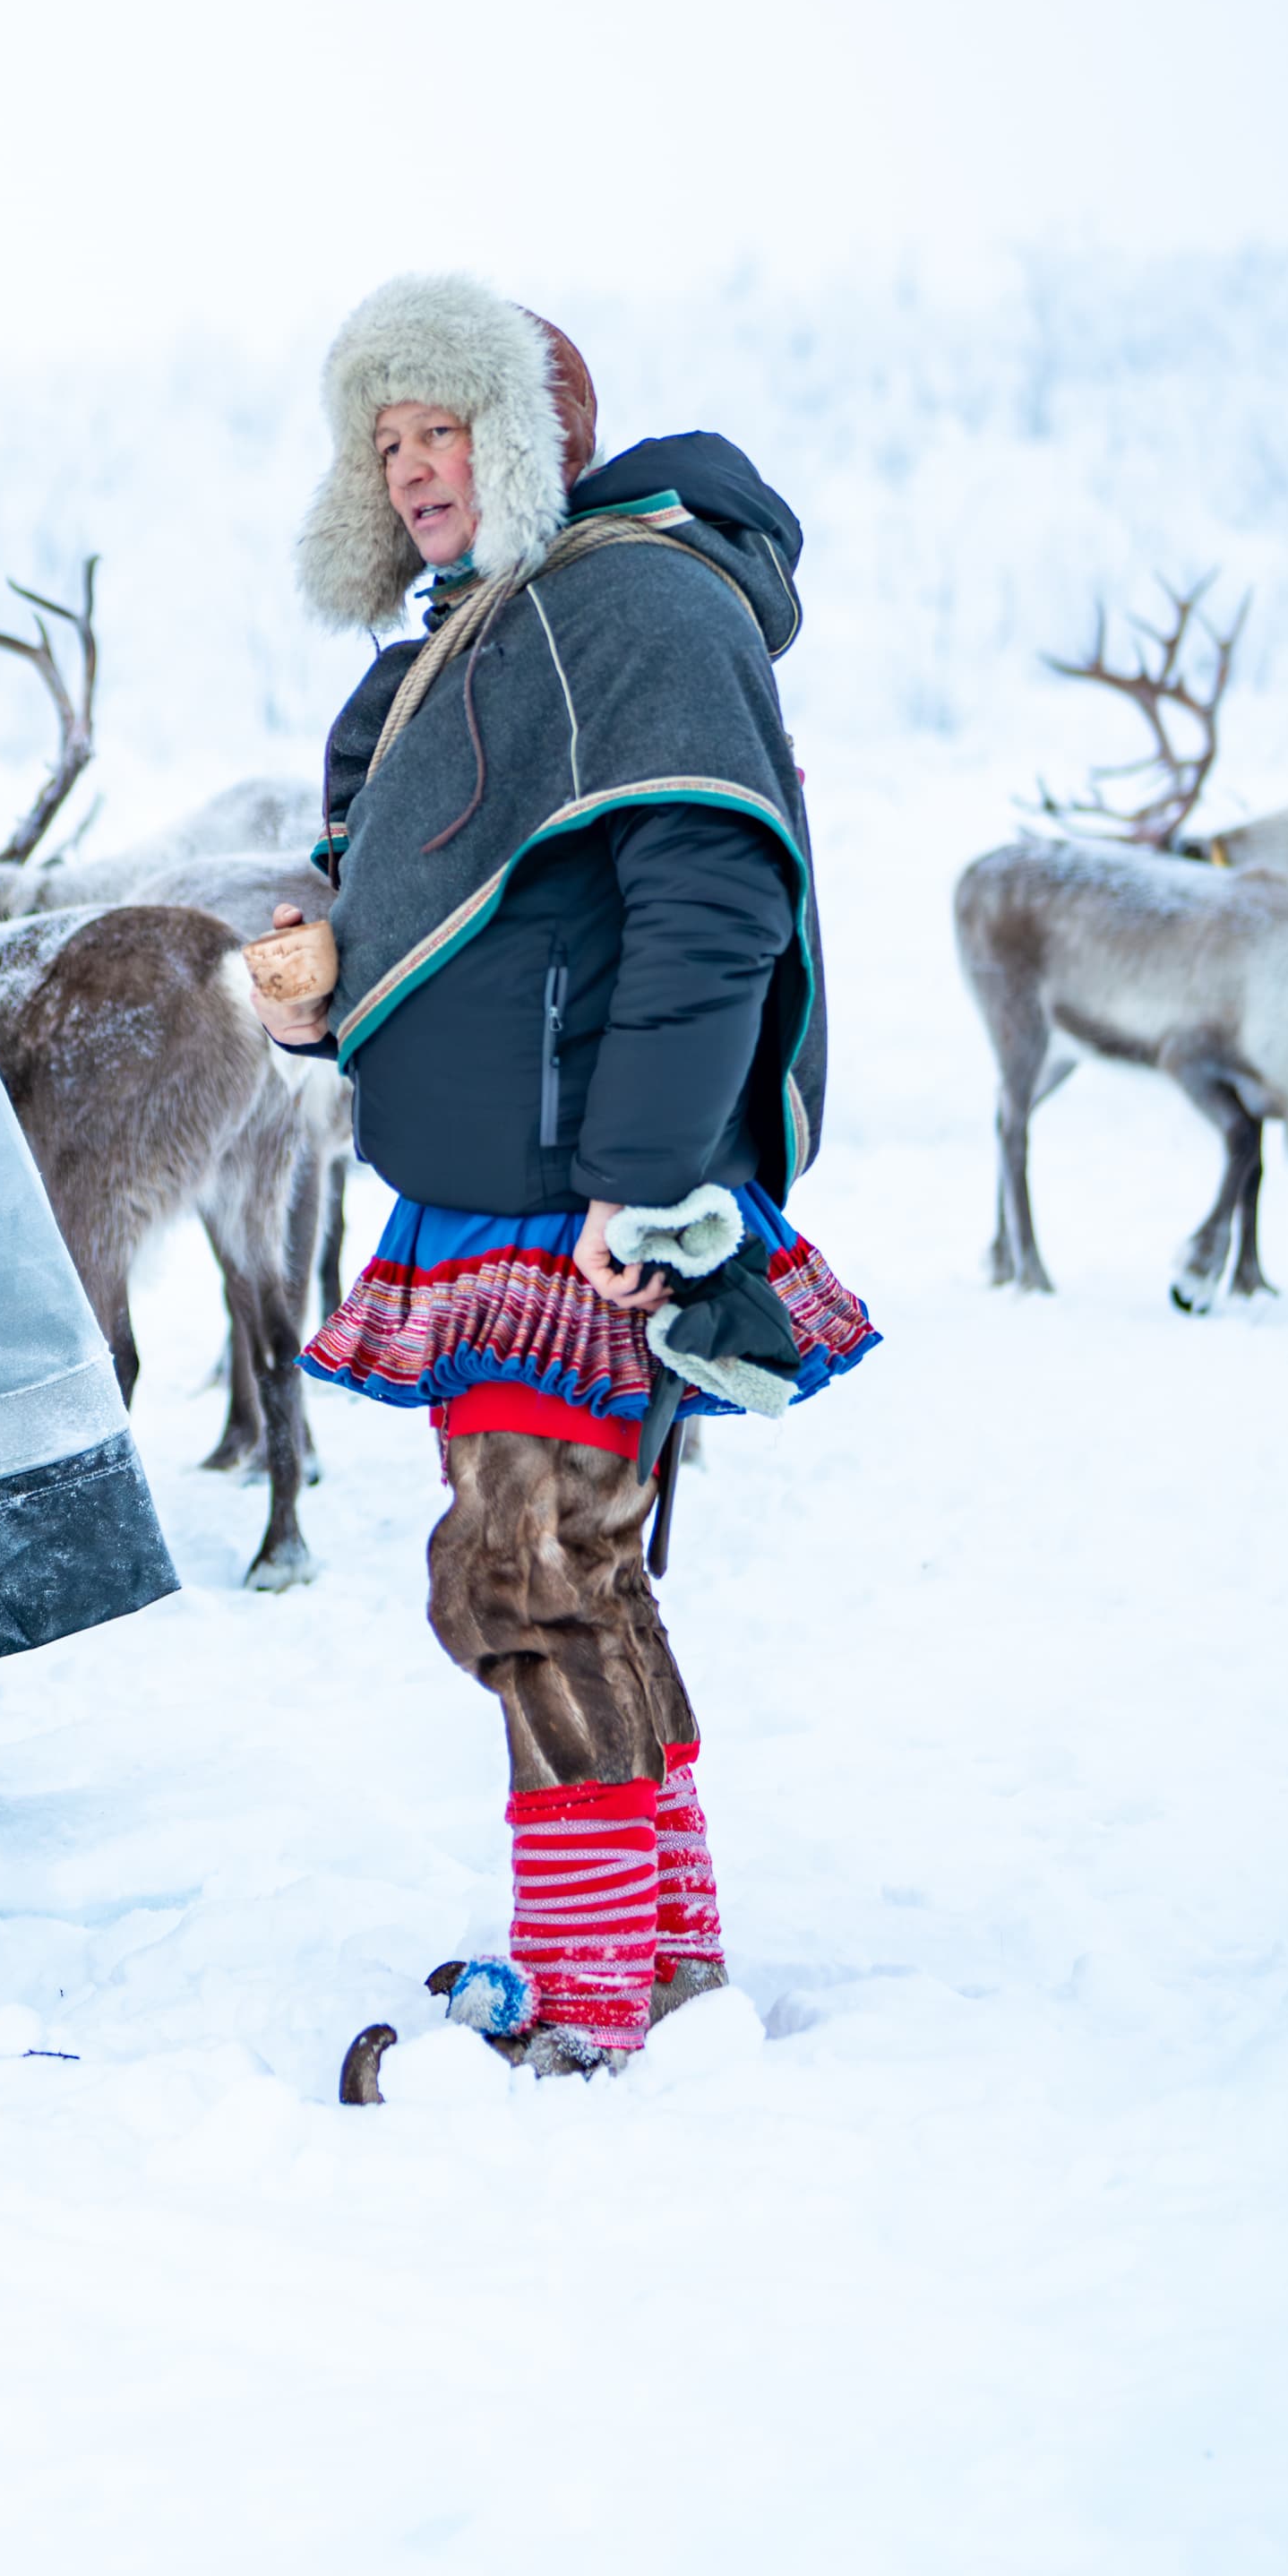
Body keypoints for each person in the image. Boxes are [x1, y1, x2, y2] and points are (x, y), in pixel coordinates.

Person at [250, 276, 877, 2076]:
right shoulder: (464, 642)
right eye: (388, 442)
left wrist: (643, 1182)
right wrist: (321, 987)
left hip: (590, 1200)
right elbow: (455, 911)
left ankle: (589, 1985)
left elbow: (718, 904)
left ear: (531, 438)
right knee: (576, 1569)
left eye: (445, 428)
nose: (416, 468)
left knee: (525, 1571)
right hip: (487, 1185)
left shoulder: (638, 611)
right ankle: (657, 1953)